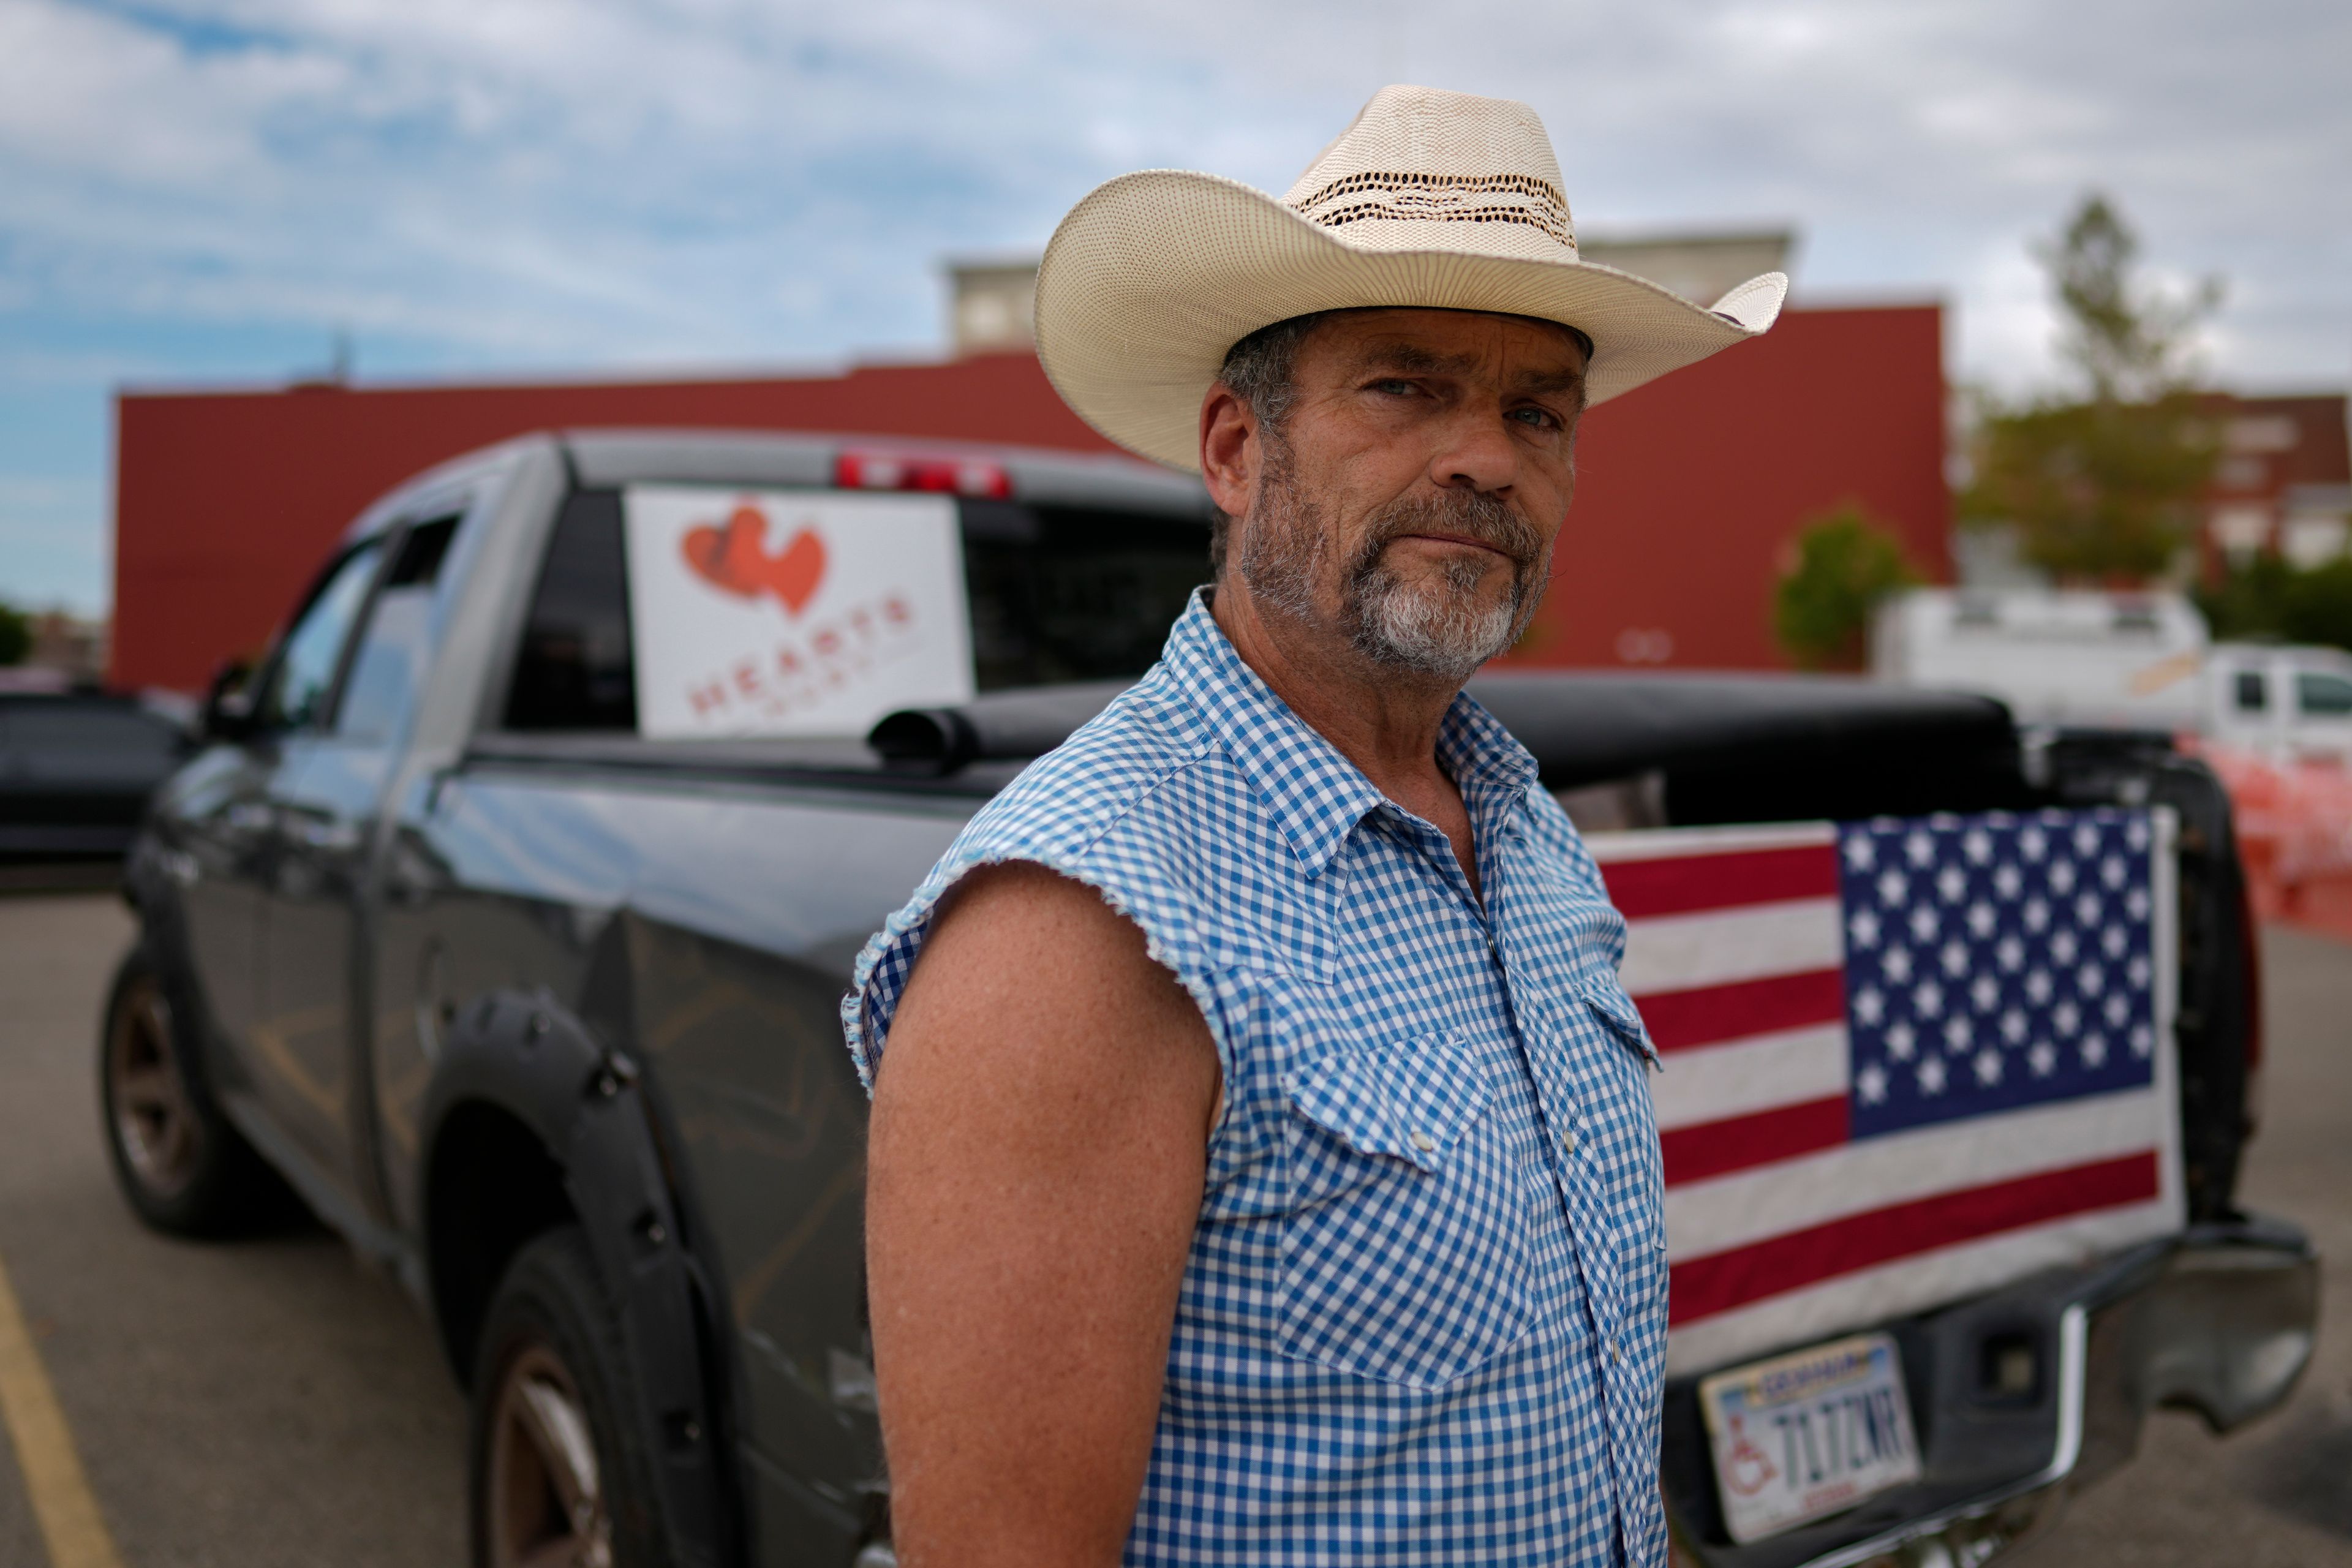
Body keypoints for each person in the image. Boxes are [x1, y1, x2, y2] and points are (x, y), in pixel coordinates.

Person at [842, 84, 1784, 1566]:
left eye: (1538, 408)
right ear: (1233, 450)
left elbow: (1574, 1414)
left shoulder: (1524, 832)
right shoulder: (1083, 924)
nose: (1488, 455)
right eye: (1405, 387)